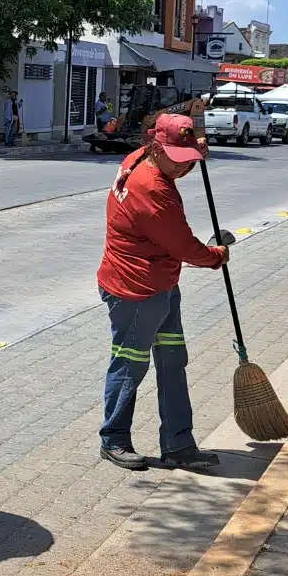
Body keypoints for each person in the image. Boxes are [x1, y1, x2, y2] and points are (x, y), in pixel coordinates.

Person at [96, 114, 228, 472]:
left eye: (189, 161)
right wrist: (217, 257)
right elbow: (184, 246)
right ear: (156, 147)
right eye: (178, 158)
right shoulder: (152, 190)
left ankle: (178, 445)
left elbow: (178, 149)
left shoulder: (140, 155)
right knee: (129, 364)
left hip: (161, 284)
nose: (184, 167)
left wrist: (191, 149)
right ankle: (114, 439)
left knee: (172, 361)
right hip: (135, 290)